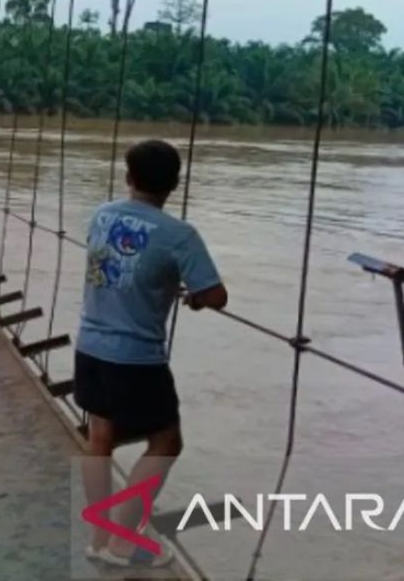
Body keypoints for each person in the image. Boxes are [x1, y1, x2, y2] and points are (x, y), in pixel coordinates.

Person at [75, 139, 228, 568]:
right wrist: (194, 299)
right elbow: (216, 295)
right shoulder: (179, 235)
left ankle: (98, 536)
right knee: (167, 440)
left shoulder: (101, 215)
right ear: (175, 185)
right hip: (135, 357)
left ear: (128, 178)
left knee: (99, 437)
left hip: (89, 347)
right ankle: (123, 543)